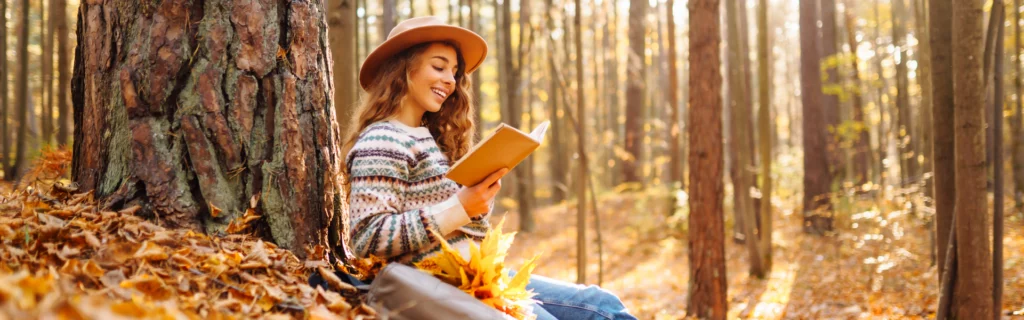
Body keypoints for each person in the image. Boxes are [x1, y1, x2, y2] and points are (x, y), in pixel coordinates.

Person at [340, 16, 637, 320]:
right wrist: (461, 206)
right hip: (436, 289)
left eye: (454, 72)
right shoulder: (382, 140)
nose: (450, 80)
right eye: (439, 67)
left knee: (602, 305)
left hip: (479, 278)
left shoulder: (429, 138)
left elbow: (453, 224)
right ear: (402, 69)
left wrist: (480, 196)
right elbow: (367, 237)